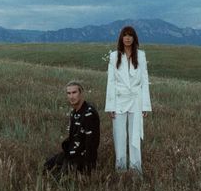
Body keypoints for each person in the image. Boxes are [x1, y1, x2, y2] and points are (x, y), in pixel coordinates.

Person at [105, 26, 152, 173]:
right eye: (125, 35)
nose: (127, 38)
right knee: (119, 136)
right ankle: (120, 169)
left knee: (135, 136)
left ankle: (136, 170)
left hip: (136, 101)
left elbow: (145, 80)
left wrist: (145, 105)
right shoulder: (114, 56)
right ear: (121, 38)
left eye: (130, 35)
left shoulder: (141, 55)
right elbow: (111, 82)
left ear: (134, 38)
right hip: (119, 100)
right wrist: (110, 106)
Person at [44, 81, 100, 177]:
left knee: (60, 178)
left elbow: (91, 144)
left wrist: (87, 168)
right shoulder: (74, 113)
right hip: (71, 153)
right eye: (69, 93)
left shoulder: (89, 114)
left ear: (81, 94)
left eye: (74, 92)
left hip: (81, 158)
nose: (71, 96)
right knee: (47, 166)